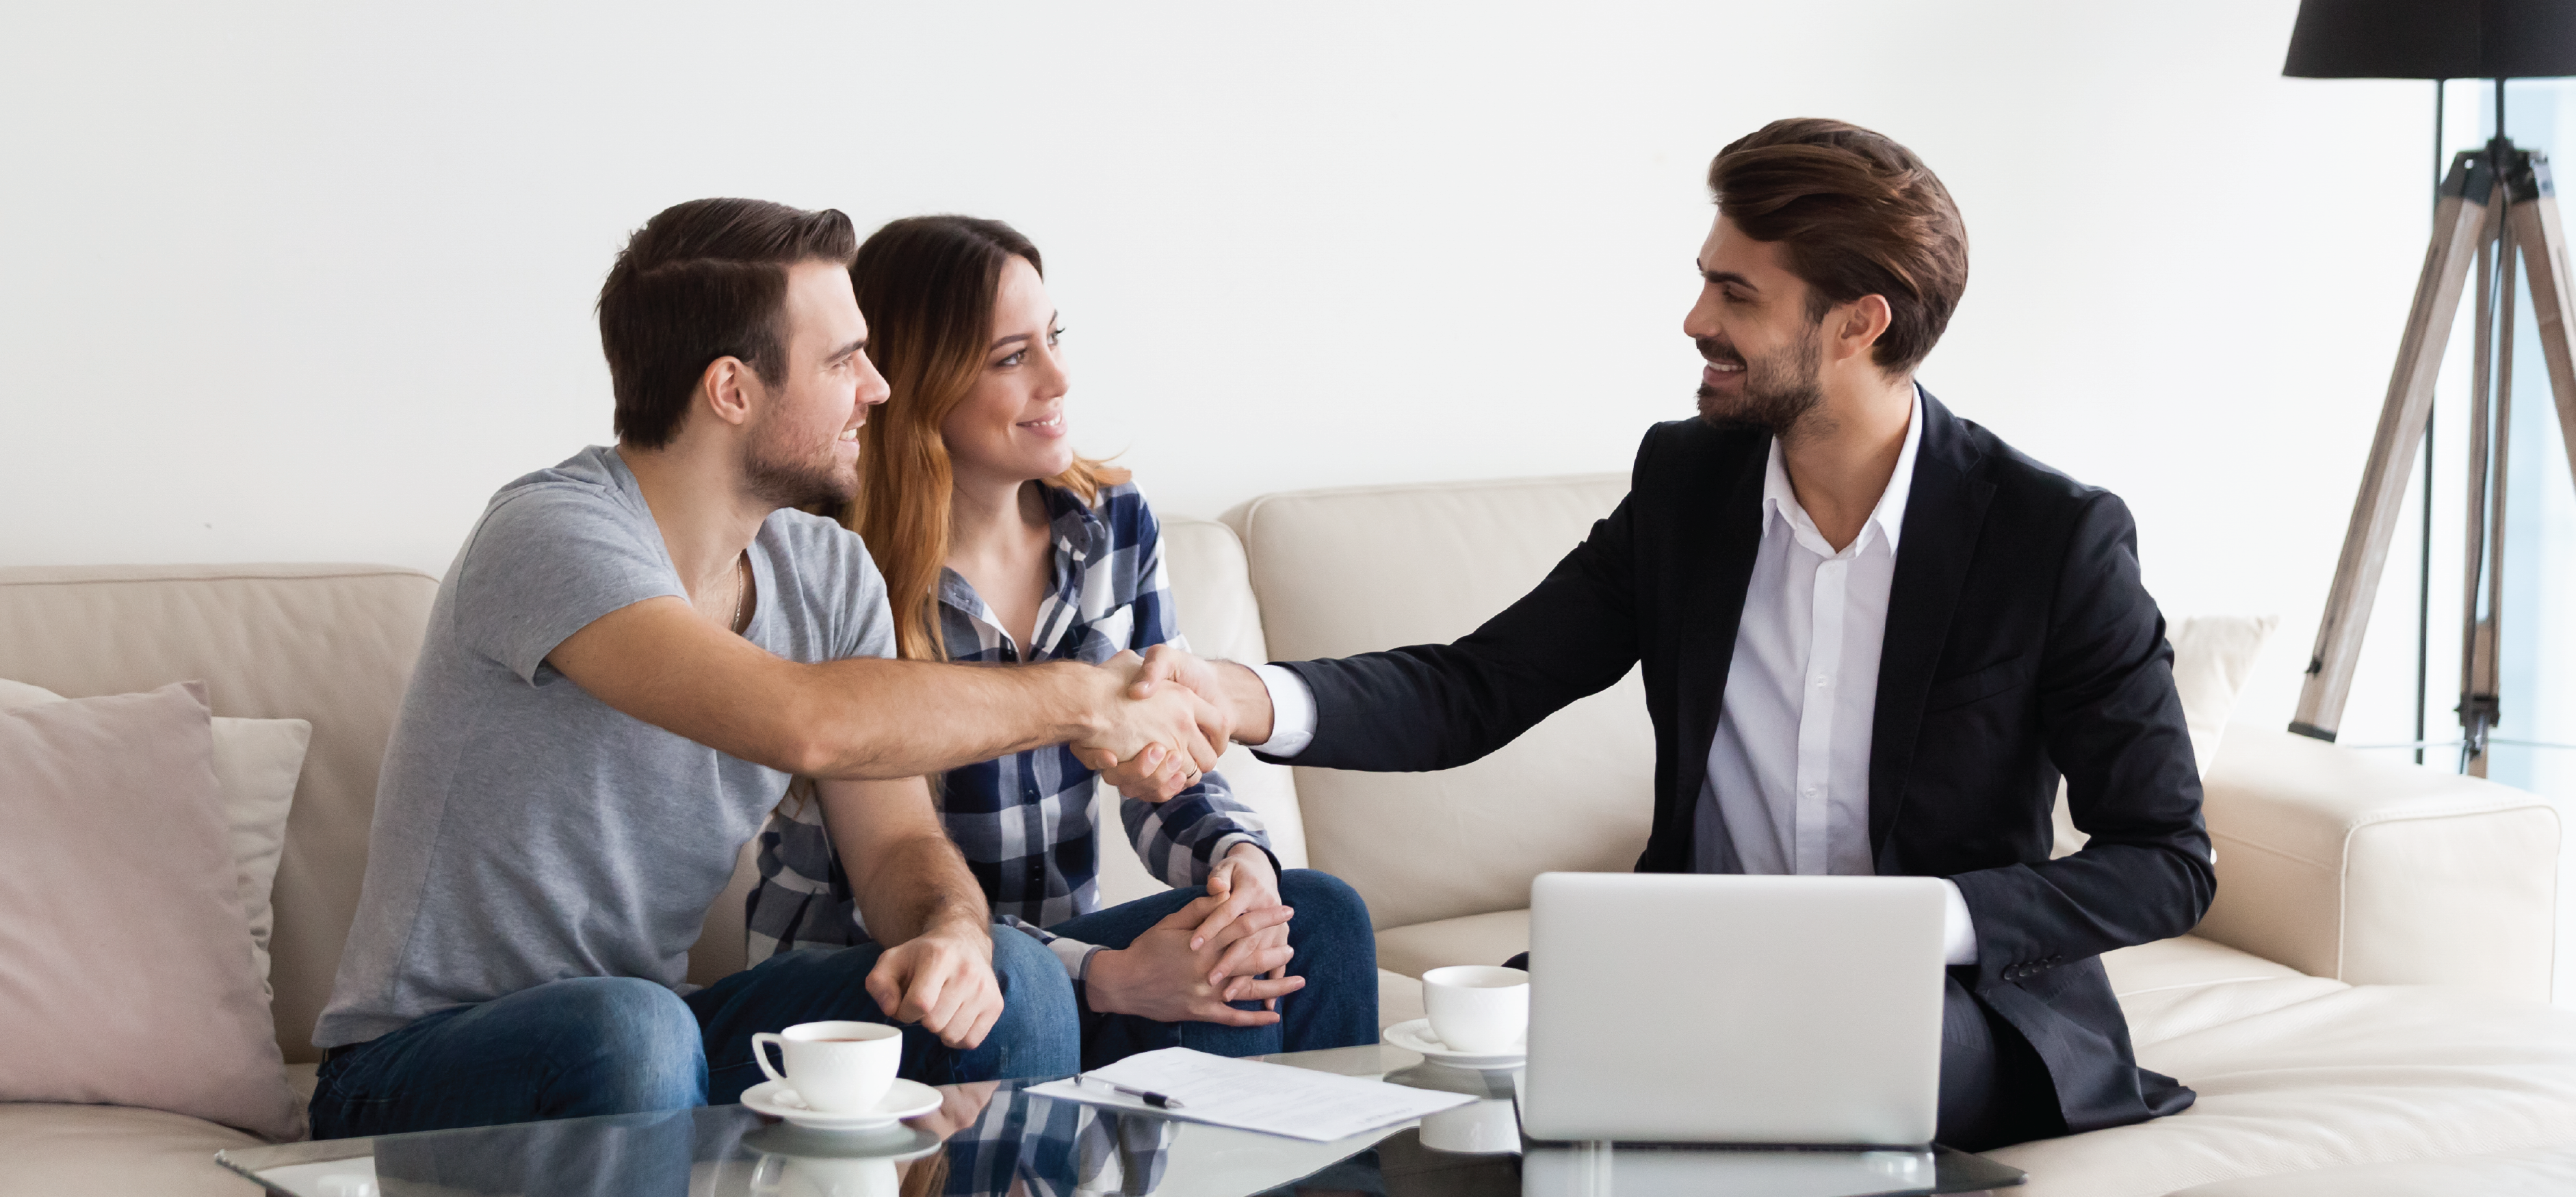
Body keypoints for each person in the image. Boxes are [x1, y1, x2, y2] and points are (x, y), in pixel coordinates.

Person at [1119, 120, 2215, 1151]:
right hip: (1688, 969)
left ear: (1857, 322)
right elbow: (1480, 685)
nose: (1695, 318)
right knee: (1470, 1072)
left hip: (1941, 1003)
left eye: (1733, 291)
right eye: (1704, 278)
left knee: (1815, 1062)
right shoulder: (1688, 485)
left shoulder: (2048, 538)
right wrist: (1236, 693)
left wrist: (1919, 921)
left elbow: (2165, 859)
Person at [310, 198, 1231, 1137]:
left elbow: (896, 846)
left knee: (1011, 975)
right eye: (843, 363)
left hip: (655, 1036)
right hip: (415, 1065)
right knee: (633, 1025)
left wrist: (949, 926)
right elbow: (803, 719)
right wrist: (1083, 698)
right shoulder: (552, 533)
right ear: (732, 391)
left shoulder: (825, 570)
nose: (877, 389)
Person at [745, 215, 1377, 1068]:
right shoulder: (832, 568)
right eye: (1013, 357)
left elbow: (1170, 772)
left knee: (1319, 920)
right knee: (1017, 979)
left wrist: (1238, 873)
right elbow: (884, 882)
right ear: (920, 384)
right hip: (886, 980)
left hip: (1058, 962)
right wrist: (1104, 975)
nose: (1059, 376)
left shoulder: (1112, 526)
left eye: (1054, 337)